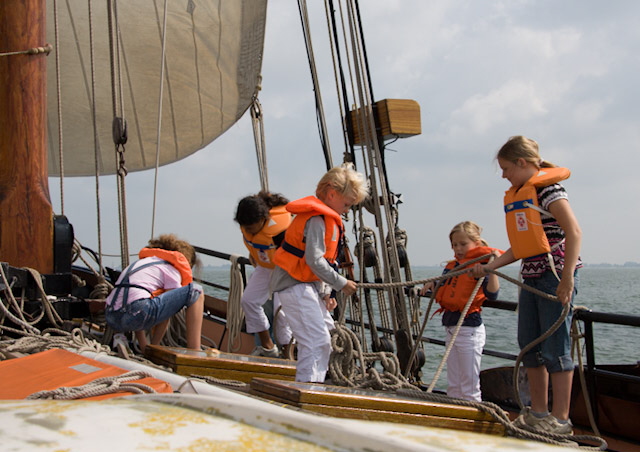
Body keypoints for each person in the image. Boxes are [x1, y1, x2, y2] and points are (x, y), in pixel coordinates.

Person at [472, 136, 582, 435]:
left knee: (556, 349)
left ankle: (560, 419)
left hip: (553, 276)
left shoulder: (550, 190)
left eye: (506, 168)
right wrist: (489, 266)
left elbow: (573, 231)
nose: (504, 175)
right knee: (529, 346)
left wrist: (568, 278)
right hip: (531, 275)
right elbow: (521, 245)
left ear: (522, 163)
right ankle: (538, 412)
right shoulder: (523, 194)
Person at [270, 164, 369, 382]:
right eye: (346, 204)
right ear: (332, 193)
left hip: (306, 286)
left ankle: (314, 385)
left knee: (325, 334)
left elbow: (322, 263)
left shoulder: (324, 219)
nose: (347, 210)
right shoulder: (317, 220)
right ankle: (307, 390)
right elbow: (314, 260)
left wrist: (326, 293)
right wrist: (341, 283)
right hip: (293, 286)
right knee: (316, 341)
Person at [420, 221, 501, 402]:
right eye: (455, 245)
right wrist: (432, 284)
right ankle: (454, 413)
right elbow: (446, 284)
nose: (458, 248)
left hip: (469, 330)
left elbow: (493, 294)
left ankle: (472, 417)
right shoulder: (453, 266)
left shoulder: (480, 266)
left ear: (476, 244)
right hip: (451, 327)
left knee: (469, 385)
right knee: (454, 384)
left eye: (463, 244)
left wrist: (491, 269)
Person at [105, 234, 205, 353]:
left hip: (111, 316)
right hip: (136, 312)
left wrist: (144, 348)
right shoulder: (170, 268)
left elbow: (134, 302)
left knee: (137, 303)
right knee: (196, 290)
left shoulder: (143, 264)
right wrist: (154, 346)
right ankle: (195, 352)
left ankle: (121, 339)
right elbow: (166, 313)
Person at [235, 191, 293, 357]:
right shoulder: (249, 226)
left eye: (251, 228)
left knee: (281, 313)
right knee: (249, 301)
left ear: (263, 220)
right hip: (266, 267)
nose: (248, 231)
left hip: (285, 269)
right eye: (245, 228)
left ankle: (289, 353)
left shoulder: (280, 229)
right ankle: (268, 347)